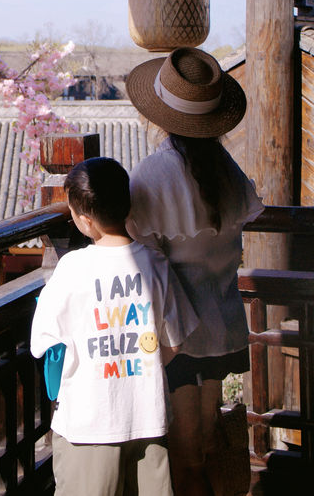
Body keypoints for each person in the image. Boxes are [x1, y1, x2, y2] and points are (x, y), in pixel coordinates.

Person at [125, 47, 264, 496]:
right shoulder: (226, 169)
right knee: (201, 447)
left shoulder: (154, 173)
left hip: (175, 335)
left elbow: (135, 250)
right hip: (221, 327)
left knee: (182, 458)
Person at [31, 156, 198, 496]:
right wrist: (142, 362)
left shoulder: (72, 269)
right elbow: (176, 341)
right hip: (146, 417)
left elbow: (43, 343)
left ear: (84, 219)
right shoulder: (155, 262)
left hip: (87, 423)